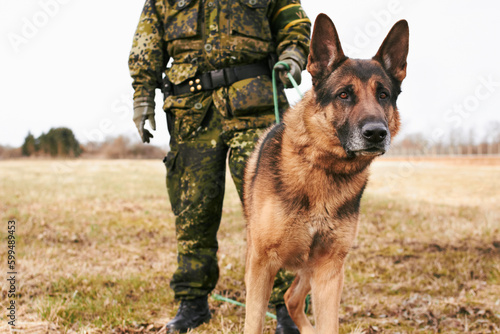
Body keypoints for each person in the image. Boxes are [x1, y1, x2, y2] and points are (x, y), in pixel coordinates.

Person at [129, 0, 310, 332]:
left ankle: (287, 307)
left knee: (276, 211)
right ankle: (193, 303)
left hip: (255, 106)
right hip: (190, 111)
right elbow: (147, 41)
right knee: (192, 212)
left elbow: (292, 21)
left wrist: (293, 57)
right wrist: (143, 96)